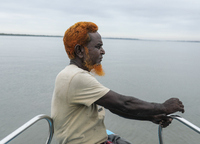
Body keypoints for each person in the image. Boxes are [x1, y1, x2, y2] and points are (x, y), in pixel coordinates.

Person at [51, 21, 184, 144]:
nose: (103, 51)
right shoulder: (76, 77)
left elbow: (114, 107)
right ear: (80, 51)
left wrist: (150, 116)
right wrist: (164, 107)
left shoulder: (74, 74)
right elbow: (123, 103)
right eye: (98, 47)